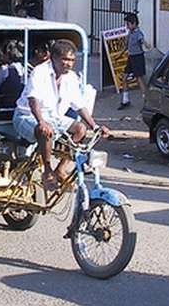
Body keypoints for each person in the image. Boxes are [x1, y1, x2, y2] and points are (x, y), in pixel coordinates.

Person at [13, 39, 109, 192]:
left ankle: (61, 169)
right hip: (27, 116)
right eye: (64, 59)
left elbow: (79, 105)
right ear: (53, 58)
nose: (68, 64)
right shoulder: (40, 72)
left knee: (80, 129)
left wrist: (95, 126)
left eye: (71, 60)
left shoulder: (71, 77)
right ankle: (47, 170)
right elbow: (33, 100)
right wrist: (41, 122)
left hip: (54, 117)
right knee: (46, 130)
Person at [119, 11, 151, 110]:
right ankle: (125, 100)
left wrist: (146, 45)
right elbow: (126, 45)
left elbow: (142, 40)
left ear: (134, 23)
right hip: (131, 57)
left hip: (138, 57)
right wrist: (121, 54)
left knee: (139, 79)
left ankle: (147, 102)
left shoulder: (138, 33)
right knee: (124, 77)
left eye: (128, 24)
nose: (127, 26)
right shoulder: (130, 33)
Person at [0, 39, 25, 108]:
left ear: (7, 53)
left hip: (5, 107)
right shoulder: (22, 68)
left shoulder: (4, 70)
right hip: (18, 106)